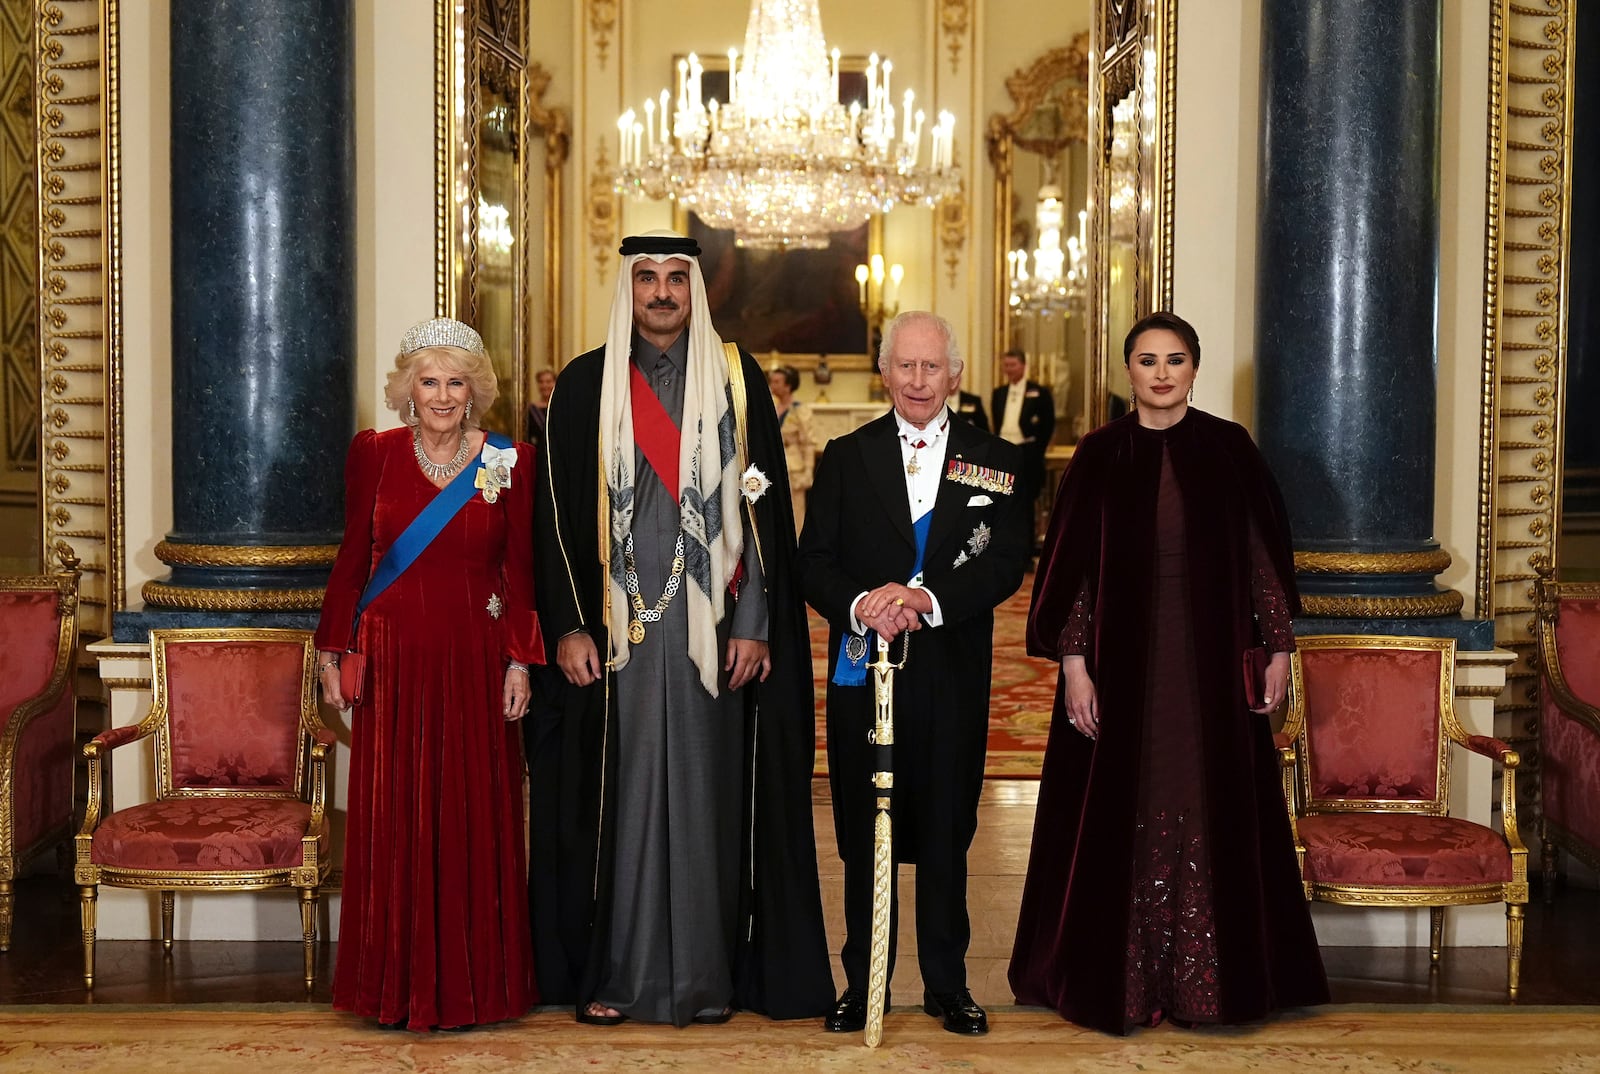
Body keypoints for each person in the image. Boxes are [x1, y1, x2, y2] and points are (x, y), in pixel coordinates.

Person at [530, 230, 833, 1028]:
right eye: (647, 279)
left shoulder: (734, 379)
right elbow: (554, 520)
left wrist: (759, 623)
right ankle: (621, 976)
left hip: (715, 631)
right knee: (621, 807)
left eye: (675, 279)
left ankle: (705, 980)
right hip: (618, 634)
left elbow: (763, 502)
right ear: (626, 289)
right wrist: (566, 625)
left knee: (708, 802)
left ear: (695, 288)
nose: (661, 293)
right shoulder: (586, 384)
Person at [1009, 311, 1328, 1034]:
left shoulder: (1229, 449)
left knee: (1208, 798)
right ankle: (1120, 982)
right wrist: (1075, 668)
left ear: (1193, 368)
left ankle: (1210, 988)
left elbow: (1262, 558)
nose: (1160, 373)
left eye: (1174, 360)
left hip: (1211, 664)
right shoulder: (1097, 455)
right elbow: (1073, 579)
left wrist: (1278, 649)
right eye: (1147, 360)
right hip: (1121, 666)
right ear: (1129, 371)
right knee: (1124, 803)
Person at [797, 310, 1030, 1036]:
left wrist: (927, 600)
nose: (919, 380)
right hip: (865, 674)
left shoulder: (995, 461)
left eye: (933, 367)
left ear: (954, 375)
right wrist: (865, 602)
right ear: (885, 371)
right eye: (906, 366)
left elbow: (1004, 562)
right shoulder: (845, 454)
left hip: (951, 668)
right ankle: (860, 986)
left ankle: (946, 984)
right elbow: (814, 563)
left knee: (946, 830)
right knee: (865, 833)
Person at [315, 317, 539, 1032]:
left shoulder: (510, 460)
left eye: (456, 382)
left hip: (474, 659)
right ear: (408, 388)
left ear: (476, 391)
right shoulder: (375, 453)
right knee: (395, 814)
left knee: (475, 811)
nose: (442, 396)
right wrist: (332, 650)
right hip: (392, 660)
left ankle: (477, 987)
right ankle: (390, 985)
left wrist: (518, 660)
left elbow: (520, 570)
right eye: (429, 380)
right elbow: (353, 557)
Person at [990, 347, 1055, 511]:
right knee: (1002, 503)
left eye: (1013, 365)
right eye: (1006, 365)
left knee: (1026, 504)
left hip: (1027, 453)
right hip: (1003, 452)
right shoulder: (999, 393)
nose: (1009, 369)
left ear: (1023, 366)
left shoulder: (1039, 392)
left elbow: (1048, 424)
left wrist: (1037, 451)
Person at [768, 365, 817, 531]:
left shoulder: (800, 410)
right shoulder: (771, 408)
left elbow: (808, 442)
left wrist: (808, 470)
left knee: (795, 513)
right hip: (773, 464)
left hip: (793, 467)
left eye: (777, 382)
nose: (772, 385)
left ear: (788, 385)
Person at [524, 367, 556, 448]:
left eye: (548, 382)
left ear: (555, 383)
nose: (544, 385)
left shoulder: (561, 407)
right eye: (541, 382)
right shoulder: (531, 410)